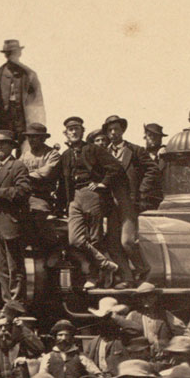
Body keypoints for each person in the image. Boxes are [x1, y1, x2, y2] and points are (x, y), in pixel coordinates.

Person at [54, 116, 125, 289]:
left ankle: (93, 278)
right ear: (66, 133)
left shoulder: (93, 149)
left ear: (82, 131)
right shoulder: (66, 155)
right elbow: (62, 182)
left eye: (77, 128)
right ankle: (105, 263)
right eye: (70, 129)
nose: (74, 132)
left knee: (94, 238)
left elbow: (115, 168)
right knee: (75, 239)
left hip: (92, 194)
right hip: (74, 198)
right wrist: (59, 206)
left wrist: (102, 183)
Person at [0, 131, 33, 304]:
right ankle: (8, 303)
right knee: (1, 266)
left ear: (12, 147)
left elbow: (24, 191)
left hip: (11, 222)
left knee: (14, 266)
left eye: (3, 143)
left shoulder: (18, 166)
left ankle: (17, 303)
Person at [101, 115, 152, 286]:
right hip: (110, 203)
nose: (113, 133)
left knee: (128, 241)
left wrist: (142, 191)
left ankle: (144, 270)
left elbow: (152, 170)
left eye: (116, 129)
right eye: (110, 130)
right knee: (113, 245)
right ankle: (128, 277)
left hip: (128, 201)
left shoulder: (136, 151)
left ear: (123, 130)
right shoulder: (103, 153)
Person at [0, 39, 44, 143]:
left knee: (25, 153)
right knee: (1, 153)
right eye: (8, 53)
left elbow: (38, 104)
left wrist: (38, 128)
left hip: (24, 124)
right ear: (5, 55)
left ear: (20, 53)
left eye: (14, 53)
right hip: (2, 125)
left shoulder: (30, 75)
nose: (12, 56)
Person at [19, 122, 61, 219]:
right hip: (25, 196)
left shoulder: (52, 154)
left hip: (43, 197)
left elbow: (44, 173)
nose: (31, 140)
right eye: (29, 137)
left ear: (43, 138)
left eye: (34, 137)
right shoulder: (25, 155)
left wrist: (24, 176)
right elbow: (17, 171)